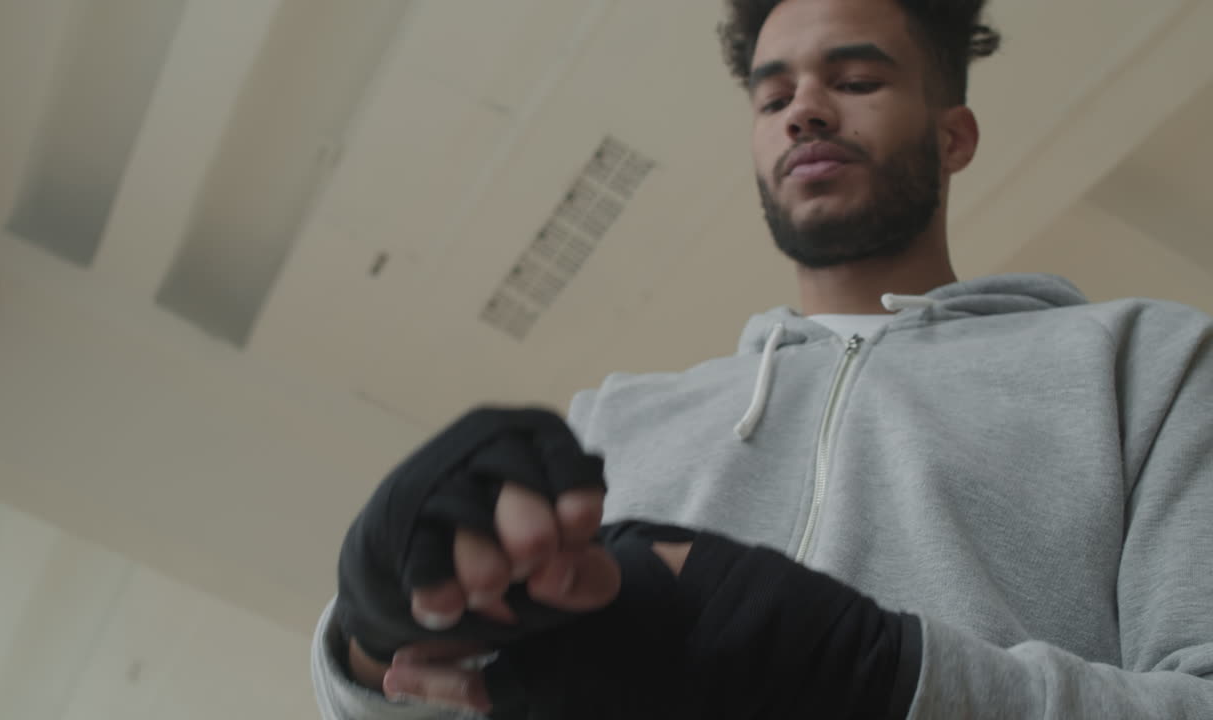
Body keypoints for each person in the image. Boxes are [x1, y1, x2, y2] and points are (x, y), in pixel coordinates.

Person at [312, 0, 1213, 717]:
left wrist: (873, 679)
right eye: (773, 98)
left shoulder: (1146, 363)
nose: (806, 111)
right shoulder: (611, 422)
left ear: (953, 137)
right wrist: (374, 634)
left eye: (855, 78)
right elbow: (463, 697)